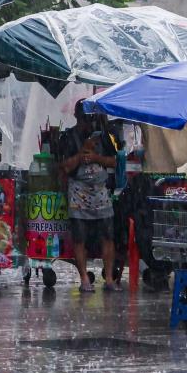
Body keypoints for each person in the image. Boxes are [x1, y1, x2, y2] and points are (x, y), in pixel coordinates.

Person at [59, 99, 119, 293]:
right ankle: (84, 278)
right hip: (78, 191)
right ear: (76, 116)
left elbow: (115, 162)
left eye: (91, 118)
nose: (88, 123)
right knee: (79, 238)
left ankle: (109, 278)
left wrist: (96, 158)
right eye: (85, 118)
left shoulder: (104, 138)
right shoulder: (68, 137)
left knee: (108, 235)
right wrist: (82, 153)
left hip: (100, 191)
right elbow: (65, 167)